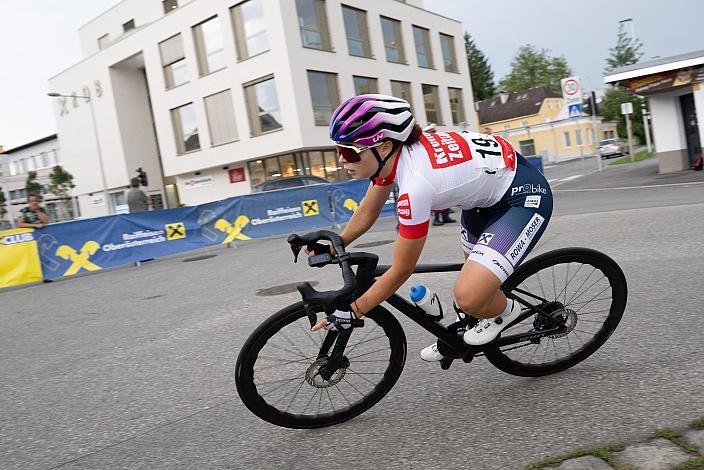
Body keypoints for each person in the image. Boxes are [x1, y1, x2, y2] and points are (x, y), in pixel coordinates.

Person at [310, 94, 553, 362]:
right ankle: (465, 329)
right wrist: (335, 244)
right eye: (338, 151)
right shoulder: (394, 157)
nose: (341, 161)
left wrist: (355, 310)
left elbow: (402, 269)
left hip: (522, 197)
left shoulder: (415, 184)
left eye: (348, 152)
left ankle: (505, 311)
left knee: (470, 295)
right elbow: (368, 210)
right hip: (482, 198)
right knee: (471, 286)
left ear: (383, 147)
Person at [422, 123, 456, 226]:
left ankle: (445, 217)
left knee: (447, 195)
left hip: (443, 171)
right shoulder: (424, 144)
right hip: (433, 173)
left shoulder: (437, 142)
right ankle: (436, 219)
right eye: (431, 132)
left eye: (433, 132)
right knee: (437, 197)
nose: (433, 134)